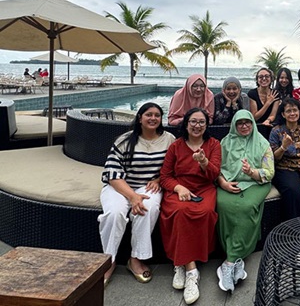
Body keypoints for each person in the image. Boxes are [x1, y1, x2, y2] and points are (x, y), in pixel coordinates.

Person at [99, 103, 176, 286]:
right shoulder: (124, 140)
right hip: (120, 186)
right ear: (140, 118)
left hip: (148, 187)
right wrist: (132, 197)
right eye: (148, 114)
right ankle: (108, 261)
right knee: (114, 213)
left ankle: (135, 259)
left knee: (147, 209)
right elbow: (111, 174)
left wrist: (158, 180)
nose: (153, 118)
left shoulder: (169, 139)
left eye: (157, 115)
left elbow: (173, 168)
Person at [159, 108, 221, 304]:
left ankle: (180, 261)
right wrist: (178, 188)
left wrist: (203, 161)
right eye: (193, 121)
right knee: (179, 211)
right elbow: (165, 177)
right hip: (180, 189)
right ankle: (191, 271)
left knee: (205, 212)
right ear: (186, 124)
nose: (197, 126)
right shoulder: (176, 147)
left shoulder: (213, 145)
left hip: (204, 188)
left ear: (206, 125)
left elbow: (214, 175)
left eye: (201, 122)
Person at [216, 110, 274, 293]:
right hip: (228, 183)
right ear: (234, 124)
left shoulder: (262, 143)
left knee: (246, 207)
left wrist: (251, 172)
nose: (244, 126)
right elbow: (216, 167)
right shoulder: (225, 143)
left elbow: (269, 172)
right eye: (239, 123)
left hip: (256, 183)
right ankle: (238, 260)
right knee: (224, 205)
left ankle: (229, 262)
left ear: (252, 123)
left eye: (247, 122)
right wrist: (223, 183)